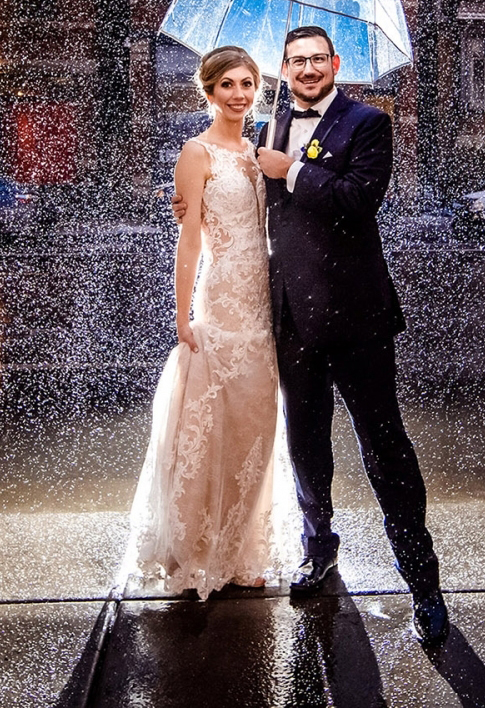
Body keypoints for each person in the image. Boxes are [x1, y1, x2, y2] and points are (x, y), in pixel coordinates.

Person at [175, 25, 448, 647]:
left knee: (386, 448)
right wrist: (191, 202)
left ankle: (423, 582)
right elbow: (242, 205)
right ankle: (318, 546)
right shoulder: (266, 129)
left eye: (317, 60)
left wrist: (293, 168)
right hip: (290, 322)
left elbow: (357, 200)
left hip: (358, 321)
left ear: (335, 63)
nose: (306, 69)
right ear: (285, 66)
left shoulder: (368, 123)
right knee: (305, 443)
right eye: (296, 61)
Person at [124, 46, 283, 597]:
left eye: (247, 84)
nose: (239, 94)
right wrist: (182, 313)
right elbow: (188, 238)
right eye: (228, 86)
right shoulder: (197, 153)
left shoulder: (260, 148)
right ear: (209, 91)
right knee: (212, 422)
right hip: (222, 301)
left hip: (264, 298)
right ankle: (200, 549)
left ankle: (242, 547)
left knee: (256, 424)